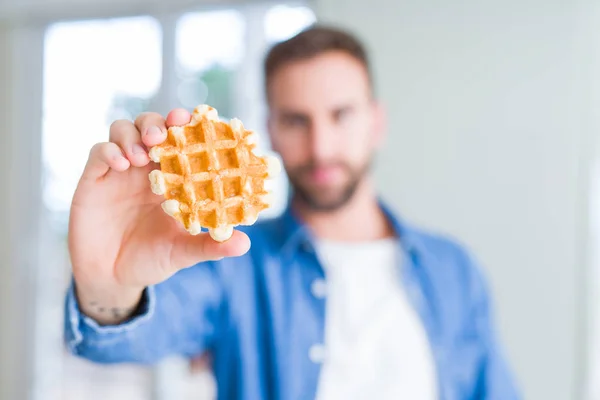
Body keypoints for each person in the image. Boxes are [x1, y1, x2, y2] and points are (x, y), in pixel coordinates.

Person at [64, 25, 521, 400]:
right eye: (296, 120)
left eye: (341, 115)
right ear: (270, 131)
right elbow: (125, 337)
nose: (320, 147)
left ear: (375, 121)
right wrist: (109, 288)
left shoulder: (454, 271)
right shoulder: (230, 259)